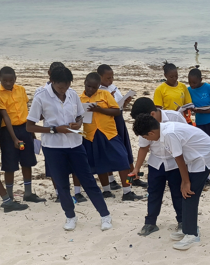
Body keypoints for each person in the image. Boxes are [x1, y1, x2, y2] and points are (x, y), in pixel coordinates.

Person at [29, 64, 113, 232]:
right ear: (52, 81)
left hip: (75, 144)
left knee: (88, 180)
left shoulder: (73, 94)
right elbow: (30, 126)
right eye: (61, 86)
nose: (64, 89)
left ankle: (105, 215)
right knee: (61, 184)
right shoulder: (41, 97)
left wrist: (79, 123)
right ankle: (70, 216)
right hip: (53, 147)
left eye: (67, 85)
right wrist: (54, 129)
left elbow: (80, 115)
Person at [130, 108, 210, 251]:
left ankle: (192, 233)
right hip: (195, 157)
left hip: (203, 157)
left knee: (189, 193)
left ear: (151, 133)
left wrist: (185, 182)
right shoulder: (163, 130)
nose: (147, 141)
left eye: (146, 137)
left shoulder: (169, 134)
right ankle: (187, 228)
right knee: (186, 193)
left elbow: (178, 158)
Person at [0, 66, 44, 203]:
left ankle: (28, 193)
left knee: (27, 161)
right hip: (9, 132)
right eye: (5, 80)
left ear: (15, 79)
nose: (8, 83)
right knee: (10, 164)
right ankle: (9, 195)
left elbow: (26, 110)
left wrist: (31, 131)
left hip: (25, 129)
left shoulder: (21, 90)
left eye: (11, 80)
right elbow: (5, 117)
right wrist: (14, 138)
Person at [79, 72, 128, 201]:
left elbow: (117, 111)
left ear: (98, 86)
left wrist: (100, 110)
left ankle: (128, 191)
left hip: (109, 133)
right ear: (84, 83)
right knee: (100, 163)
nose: (90, 89)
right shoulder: (80, 99)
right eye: (88, 86)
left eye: (94, 87)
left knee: (123, 160)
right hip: (91, 135)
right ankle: (106, 190)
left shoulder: (105, 94)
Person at [97, 64, 141, 201]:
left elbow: (119, 106)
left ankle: (131, 179)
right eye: (107, 78)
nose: (110, 80)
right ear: (100, 77)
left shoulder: (113, 87)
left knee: (126, 150)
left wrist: (125, 102)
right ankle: (111, 181)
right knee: (111, 151)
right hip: (108, 123)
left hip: (119, 119)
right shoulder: (98, 90)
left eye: (112, 77)